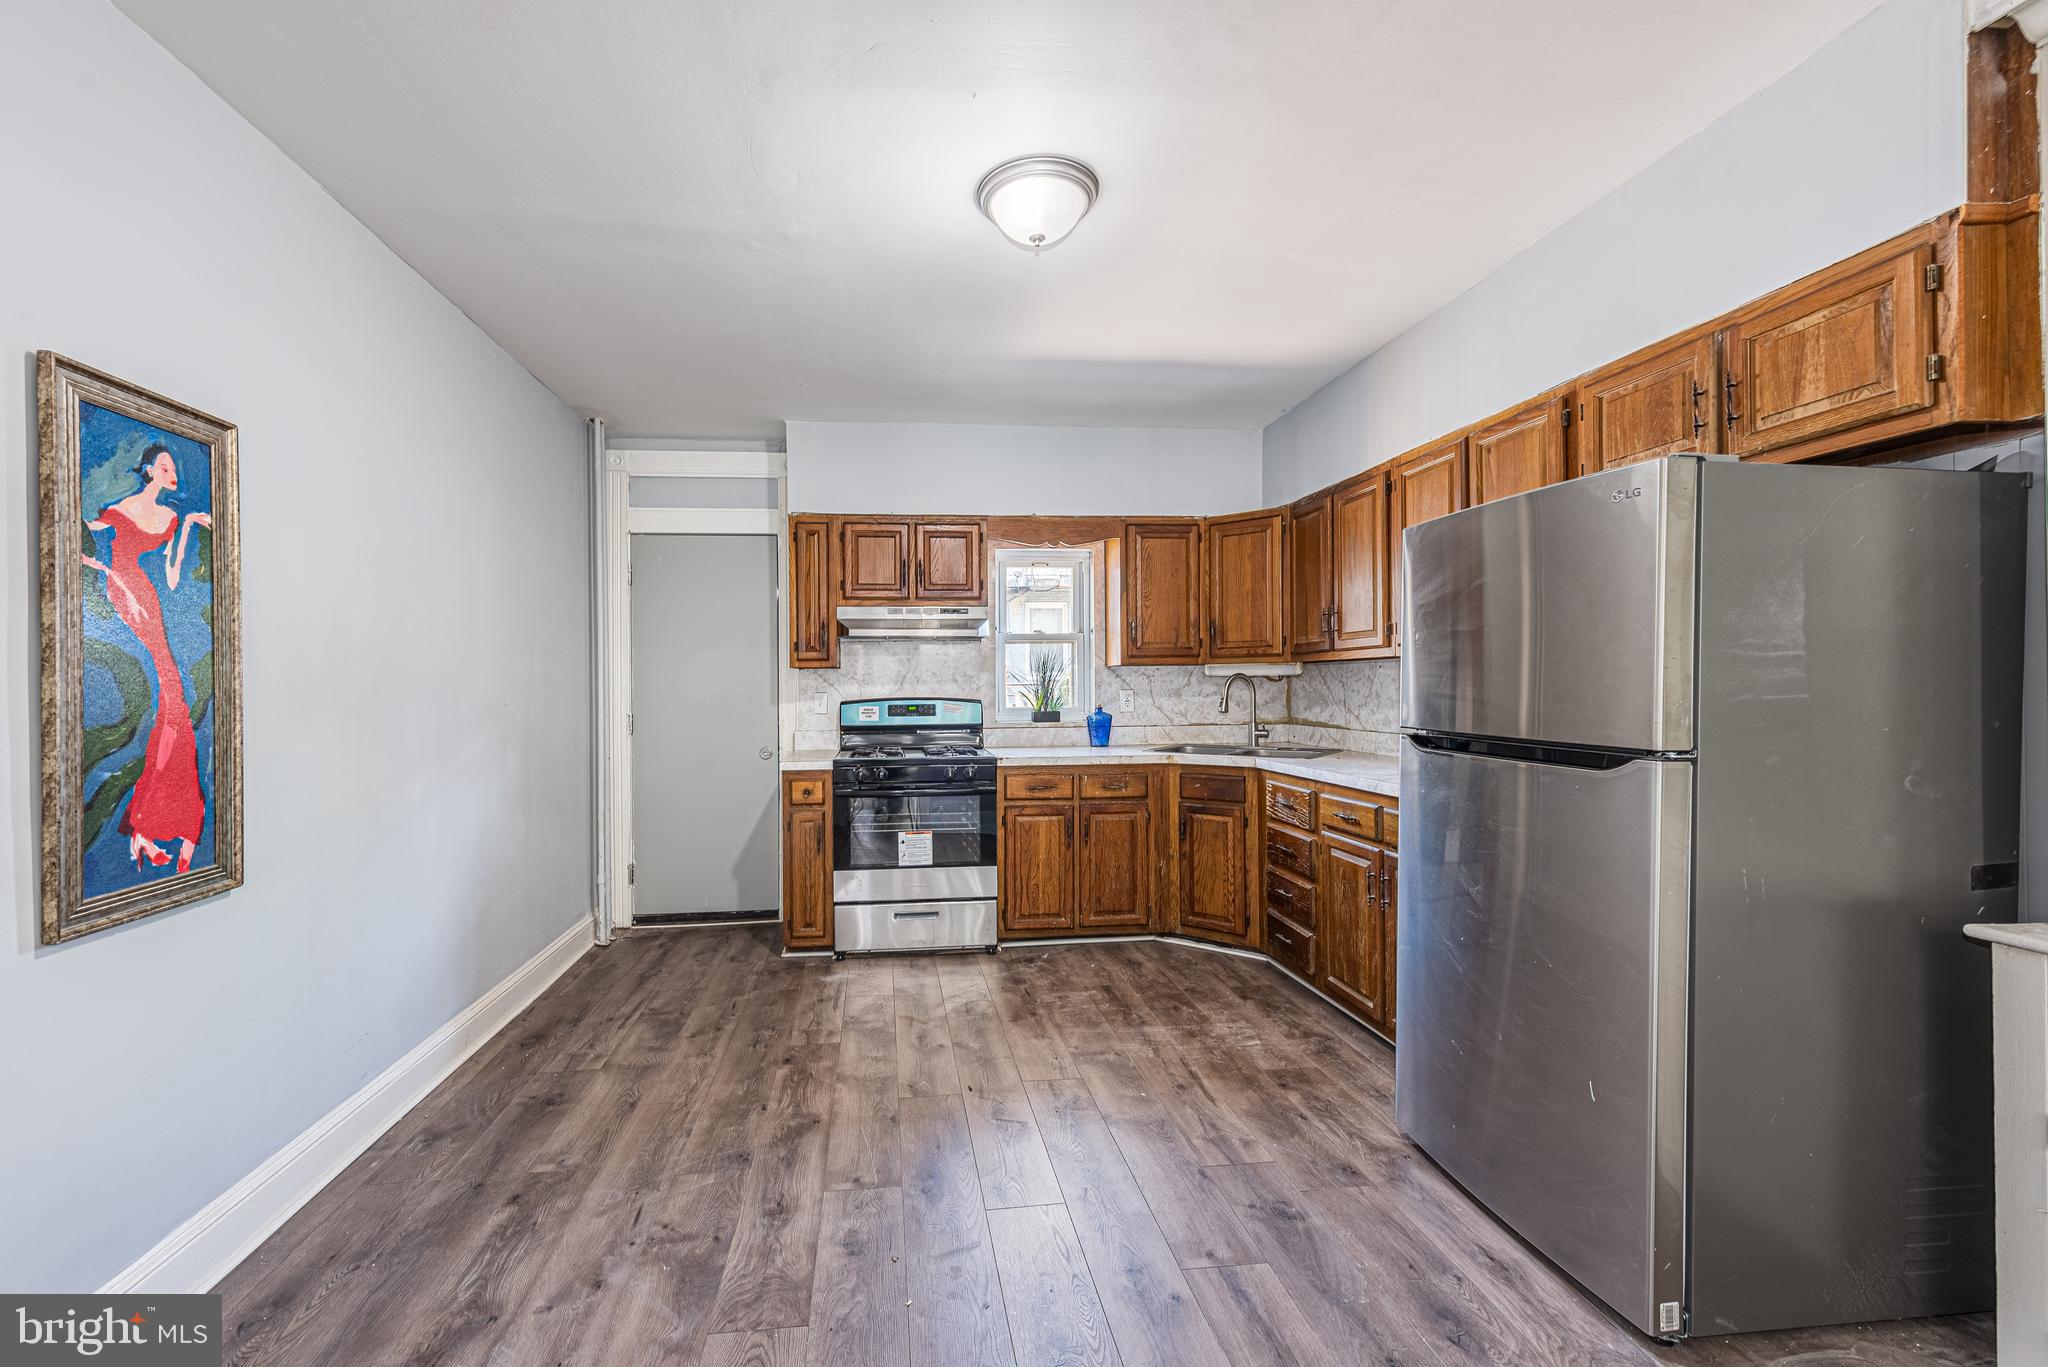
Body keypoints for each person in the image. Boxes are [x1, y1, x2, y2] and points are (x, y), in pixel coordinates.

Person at [80, 442, 210, 874]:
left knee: (173, 699)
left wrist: (190, 521)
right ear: (150, 470)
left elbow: (172, 576)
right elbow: (92, 534)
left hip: (149, 595)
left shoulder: (172, 518)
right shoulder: (122, 507)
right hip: (123, 589)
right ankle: (166, 823)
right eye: (166, 466)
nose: (173, 473)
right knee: (171, 693)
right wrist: (103, 571)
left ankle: (144, 828)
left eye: (174, 468)